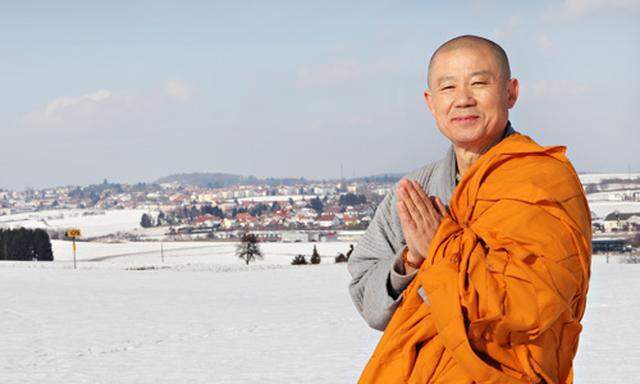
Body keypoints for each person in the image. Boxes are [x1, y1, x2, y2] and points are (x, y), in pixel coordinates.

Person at [348, 35, 591, 383]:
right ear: (431, 103)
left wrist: (441, 250)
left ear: (511, 92)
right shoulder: (414, 193)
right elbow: (370, 304)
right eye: (448, 87)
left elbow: (532, 309)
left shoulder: (542, 182)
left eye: (479, 83)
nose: (463, 99)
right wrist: (412, 262)